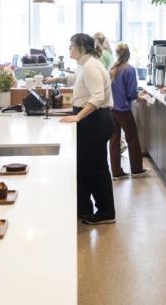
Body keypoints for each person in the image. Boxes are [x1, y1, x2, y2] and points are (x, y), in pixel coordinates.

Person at [60, 33, 116, 225]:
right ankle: (84, 209)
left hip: (96, 120)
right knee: (84, 166)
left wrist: (78, 116)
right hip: (92, 119)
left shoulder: (91, 66)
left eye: (71, 46)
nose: (69, 50)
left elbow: (97, 96)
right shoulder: (86, 65)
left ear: (82, 47)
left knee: (96, 168)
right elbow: (79, 84)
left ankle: (106, 212)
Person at [108, 43, 149, 180]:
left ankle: (116, 172)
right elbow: (131, 94)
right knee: (132, 139)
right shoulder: (129, 70)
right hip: (124, 110)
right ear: (128, 54)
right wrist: (140, 97)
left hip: (112, 109)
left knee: (114, 140)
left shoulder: (113, 69)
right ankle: (137, 169)